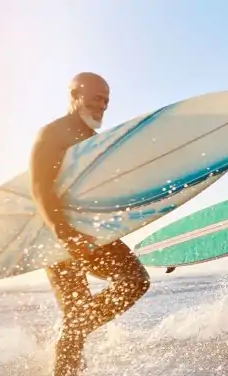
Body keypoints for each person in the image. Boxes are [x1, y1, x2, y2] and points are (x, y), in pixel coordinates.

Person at [30, 72, 150, 376]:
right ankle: (70, 345)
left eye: (107, 100)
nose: (103, 106)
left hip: (92, 232)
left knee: (136, 280)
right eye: (97, 98)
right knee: (77, 311)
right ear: (74, 94)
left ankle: (73, 334)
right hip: (59, 235)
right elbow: (39, 188)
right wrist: (62, 232)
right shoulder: (52, 134)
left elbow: (107, 198)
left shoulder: (95, 142)